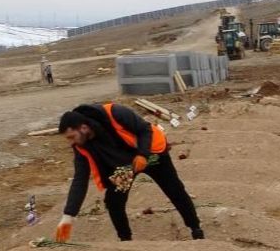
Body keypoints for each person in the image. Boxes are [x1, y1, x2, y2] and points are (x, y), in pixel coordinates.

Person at [55, 103, 203, 242]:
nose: (71, 142)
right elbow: (80, 180)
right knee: (114, 201)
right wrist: (69, 215)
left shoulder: (114, 113)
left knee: (174, 190)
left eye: (71, 137)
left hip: (151, 154)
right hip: (126, 166)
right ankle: (126, 240)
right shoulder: (81, 146)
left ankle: (195, 229)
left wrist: (143, 155)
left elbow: (145, 129)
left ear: (84, 128)